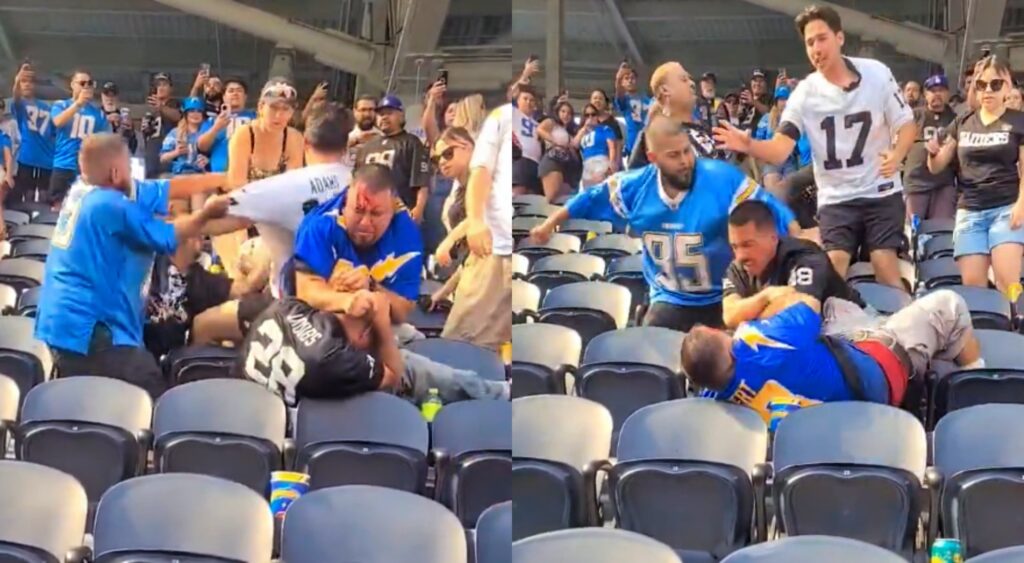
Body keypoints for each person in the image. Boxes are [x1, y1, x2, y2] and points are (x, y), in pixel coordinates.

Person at [532, 114, 797, 331]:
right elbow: (589, 197)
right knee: (648, 356)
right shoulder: (633, 187)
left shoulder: (721, 179)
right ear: (653, 158)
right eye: (674, 155)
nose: (685, 161)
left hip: (722, 298)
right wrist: (548, 225)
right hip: (669, 298)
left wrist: (799, 232)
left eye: (687, 152)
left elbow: (769, 208)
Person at [714, 5, 916, 290]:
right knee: (831, 268)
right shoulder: (805, 93)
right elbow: (780, 150)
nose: (816, 48)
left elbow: (906, 124)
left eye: (822, 39)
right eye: (810, 43)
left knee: (885, 265)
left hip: (880, 190)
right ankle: (835, 329)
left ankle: (902, 326)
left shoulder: (877, 74)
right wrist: (748, 144)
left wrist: (897, 155)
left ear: (840, 38)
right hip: (836, 196)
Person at [35, 134, 230, 397]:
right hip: (91, 329)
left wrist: (225, 179)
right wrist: (205, 213)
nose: (132, 173)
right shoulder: (110, 204)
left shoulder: (82, 189)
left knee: (90, 403)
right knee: (151, 399)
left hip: (63, 325)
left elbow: (168, 188)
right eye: (128, 166)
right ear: (115, 172)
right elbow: (166, 235)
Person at [680, 289, 983, 421]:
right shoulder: (762, 341)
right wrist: (766, 297)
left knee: (838, 306)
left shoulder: (714, 401)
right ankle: (978, 387)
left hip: (835, 396)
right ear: (723, 337)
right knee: (949, 303)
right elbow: (808, 301)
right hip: (877, 373)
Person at [191, 104, 356, 347]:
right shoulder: (364, 183)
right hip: (350, 304)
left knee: (203, 324)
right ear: (346, 146)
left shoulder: (283, 187)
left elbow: (216, 221)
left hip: (295, 311)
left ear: (306, 143)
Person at [236, 293, 507, 408]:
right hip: (292, 422)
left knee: (411, 339)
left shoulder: (286, 306)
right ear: (366, 334)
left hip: (248, 404)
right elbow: (394, 376)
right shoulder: (338, 358)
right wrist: (382, 324)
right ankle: (500, 393)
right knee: (412, 366)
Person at [926, 56, 1024, 302]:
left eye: (995, 84)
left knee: (1007, 282)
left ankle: (1015, 330)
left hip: (1006, 208)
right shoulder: (963, 122)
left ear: (1008, 86)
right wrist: (932, 153)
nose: (988, 90)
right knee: (974, 290)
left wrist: (1022, 205)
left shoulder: (1019, 121)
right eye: (981, 85)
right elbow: (937, 165)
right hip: (970, 211)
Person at [292, 164, 422, 324]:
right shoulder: (320, 224)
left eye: (376, 213)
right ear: (346, 202)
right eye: (358, 211)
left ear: (392, 210)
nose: (365, 223)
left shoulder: (406, 234)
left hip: (378, 323)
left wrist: (371, 286)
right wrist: (347, 301)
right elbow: (306, 292)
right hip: (317, 318)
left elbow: (402, 312)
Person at [723, 200, 864, 329]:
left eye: (748, 245)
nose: (740, 256)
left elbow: (804, 310)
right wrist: (766, 296)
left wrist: (745, 315)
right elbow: (729, 316)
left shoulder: (805, 256)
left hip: (854, 329)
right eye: (735, 247)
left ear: (773, 238)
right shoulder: (737, 267)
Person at [441, 104, 513, 352]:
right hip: (477, 268)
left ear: (468, 147)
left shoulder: (478, 186)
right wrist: (444, 291)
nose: (441, 162)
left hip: (496, 259)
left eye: (448, 153)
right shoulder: (458, 191)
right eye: (437, 157)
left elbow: (479, 231)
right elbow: (469, 258)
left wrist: (451, 238)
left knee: (462, 344)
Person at [215, 78, 304, 278]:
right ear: (261, 107)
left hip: (275, 210)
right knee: (240, 267)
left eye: (286, 109)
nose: (279, 115)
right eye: (273, 108)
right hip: (239, 207)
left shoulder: (294, 138)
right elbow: (237, 184)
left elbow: (292, 187)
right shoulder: (244, 134)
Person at [628, 60, 724, 169]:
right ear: (665, 90)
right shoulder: (651, 138)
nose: (692, 83)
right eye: (684, 79)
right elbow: (633, 182)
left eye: (690, 79)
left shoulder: (705, 132)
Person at [355, 95, 432, 222]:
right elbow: (355, 178)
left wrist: (419, 208)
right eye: (380, 114)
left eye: (389, 113)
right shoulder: (368, 146)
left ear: (401, 116)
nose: (384, 117)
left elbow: (422, 180)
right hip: (369, 211)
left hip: (400, 211)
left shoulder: (411, 142)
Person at [49, 69, 110, 206]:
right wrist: (78, 104)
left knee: (83, 206)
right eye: (82, 83)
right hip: (63, 164)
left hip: (85, 169)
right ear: (73, 85)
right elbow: (57, 122)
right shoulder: (61, 105)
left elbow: (104, 141)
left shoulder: (98, 114)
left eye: (90, 83)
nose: (86, 86)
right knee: (57, 207)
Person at [904, 74, 958, 221]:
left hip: (943, 183)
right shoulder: (913, 115)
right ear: (925, 94)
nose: (937, 94)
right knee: (912, 232)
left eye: (941, 90)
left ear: (948, 93)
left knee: (941, 231)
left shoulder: (955, 118)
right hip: (916, 181)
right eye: (932, 91)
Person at [9, 62, 53, 205]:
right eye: (23, 82)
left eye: (29, 82)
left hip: (47, 157)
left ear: (35, 85)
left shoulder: (47, 107)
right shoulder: (20, 105)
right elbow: (15, 97)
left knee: (44, 194)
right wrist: (17, 80)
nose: (27, 85)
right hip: (27, 157)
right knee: (26, 193)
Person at [197, 77, 256, 173]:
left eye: (239, 91)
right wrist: (216, 128)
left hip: (249, 174)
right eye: (231, 91)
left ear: (245, 96)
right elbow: (202, 146)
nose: (235, 94)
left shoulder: (256, 118)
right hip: (219, 175)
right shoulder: (213, 120)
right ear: (224, 97)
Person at [142, 72, 183, 179]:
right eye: (158, 85)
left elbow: (179, 117)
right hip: (150, 153)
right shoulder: (150, 107)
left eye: (164, 85)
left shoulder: (175, 103)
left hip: (168, 154)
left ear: (171, 88)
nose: (160, 88)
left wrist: (161, 107)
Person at [160, 97, 209, 175]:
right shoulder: (175, 132)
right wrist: (176, 152)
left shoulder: (208, 132)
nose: (195, 114)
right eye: (191, 111)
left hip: (202, 174)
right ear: (186, 114)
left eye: (199, 111)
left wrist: (208, 160)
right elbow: (163, 158)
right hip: (180, 174)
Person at [613, 62, 652, 158]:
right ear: (622, 83)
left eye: (632, 78)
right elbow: (619, 93)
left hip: (651, 143)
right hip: (634, 144)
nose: (630, 80)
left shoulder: (647, 99)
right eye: (626, 78)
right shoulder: (625, 100)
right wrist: (618, 78)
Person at [510, 86, 544, 196]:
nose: (528, 102)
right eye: (525, 99)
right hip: (521, 160)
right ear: (518, 101)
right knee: (518, 194)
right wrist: (524, 75)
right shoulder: (514, 113)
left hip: (536, 164)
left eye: (531, 100)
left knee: (533, 198)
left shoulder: (538, 124)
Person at [575, 103, 618, 187]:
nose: (590, 117)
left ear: (597, 116)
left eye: (593, 114)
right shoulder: (582, 132)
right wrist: (583, 129)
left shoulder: (604, 129)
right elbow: (575, 145)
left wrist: (611, 163)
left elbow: (612, 147)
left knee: (601, 190)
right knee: (589, 193)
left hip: (601, 161)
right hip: (587, 164)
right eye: (587, 115)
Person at [346, 94, 379, 166]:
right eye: (363, 110)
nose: (367, 114)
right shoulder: (345, 136)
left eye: (371, 110)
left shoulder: (383, 137)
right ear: (355, 112)